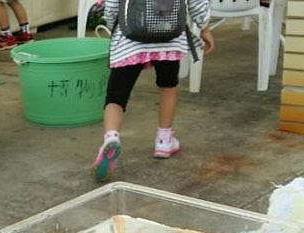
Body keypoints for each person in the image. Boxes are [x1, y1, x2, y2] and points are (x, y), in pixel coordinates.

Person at [91, 0, 214, 182]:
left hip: (129, 41)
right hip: (169, 39)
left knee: (115, 98)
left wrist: (115, 24)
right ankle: (164, 141)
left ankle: (111, 138)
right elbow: (196, 2)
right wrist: (204, 27)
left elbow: (111, 6)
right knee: (168, 86)